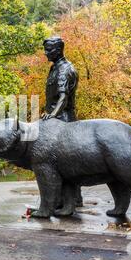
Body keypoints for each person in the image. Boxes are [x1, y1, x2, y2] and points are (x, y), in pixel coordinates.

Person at [41, 36, 83, 207]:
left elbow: (63, 98)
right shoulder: (54, 68)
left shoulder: (65, 69)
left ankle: (71, 200)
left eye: (48, 50)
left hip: (63, 120)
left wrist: (52, 116)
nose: (45, 53)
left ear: (58, 51)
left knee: (65, 162)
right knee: (61, 162)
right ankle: (69, 198)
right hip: (56, 118)